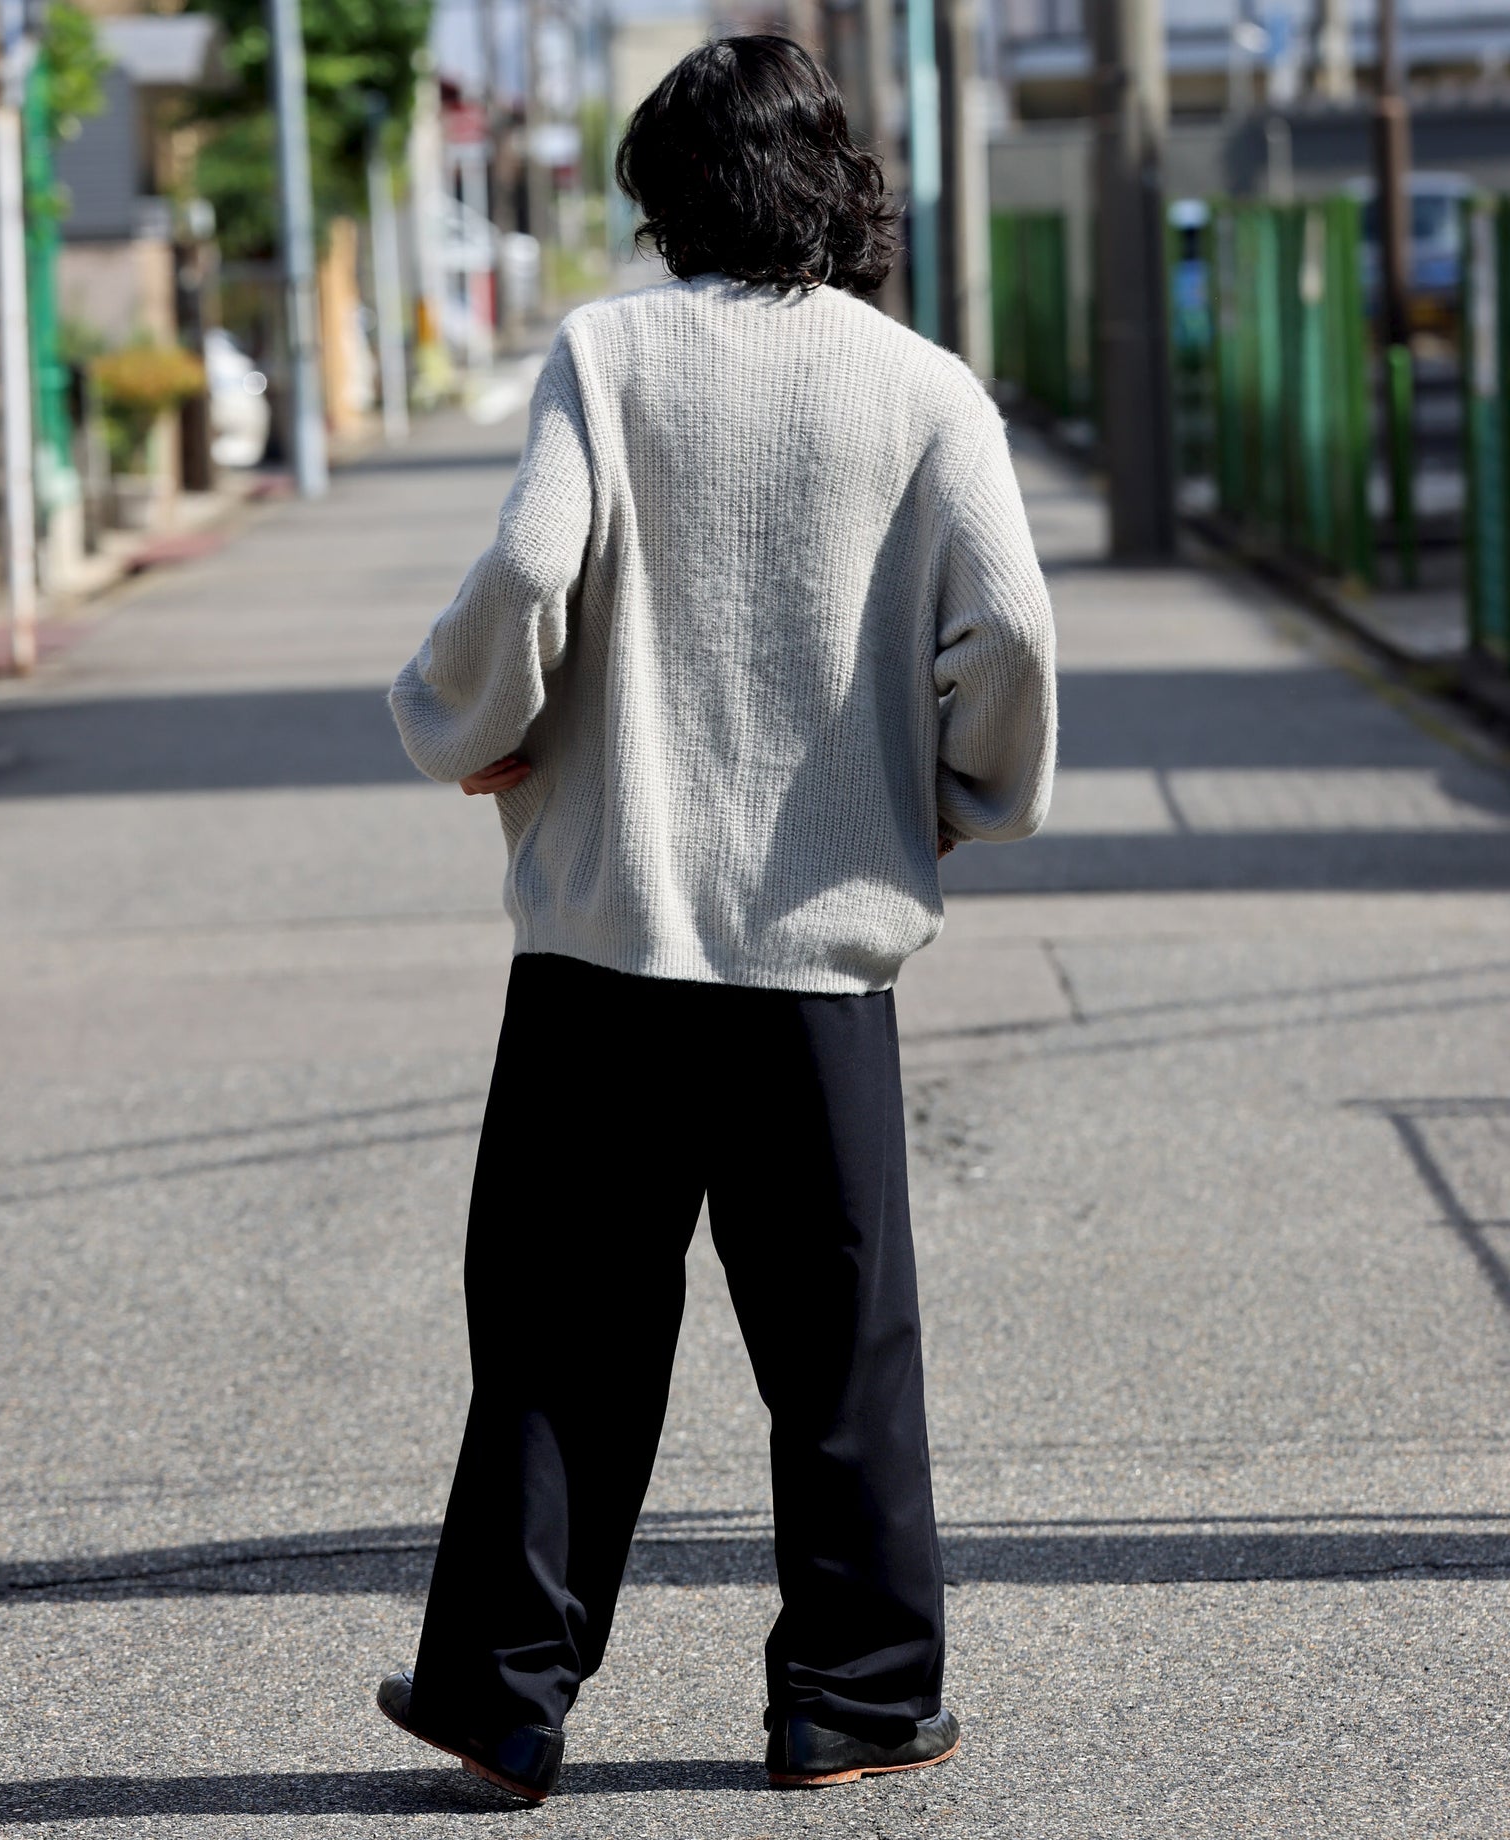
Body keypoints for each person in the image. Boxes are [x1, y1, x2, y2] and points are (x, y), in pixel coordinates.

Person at [376, 33, 1056, 1804]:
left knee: (559, 1341)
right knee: (840, 1352)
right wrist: (961, 801)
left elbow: (532, 569)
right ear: (835, 186)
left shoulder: (609, 357)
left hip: (607, 948)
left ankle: (506, 1697)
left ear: (670, 198)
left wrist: (477, 730)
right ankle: (853, 1700)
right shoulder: (923, 389)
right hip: (816, 964)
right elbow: (1011, 633)